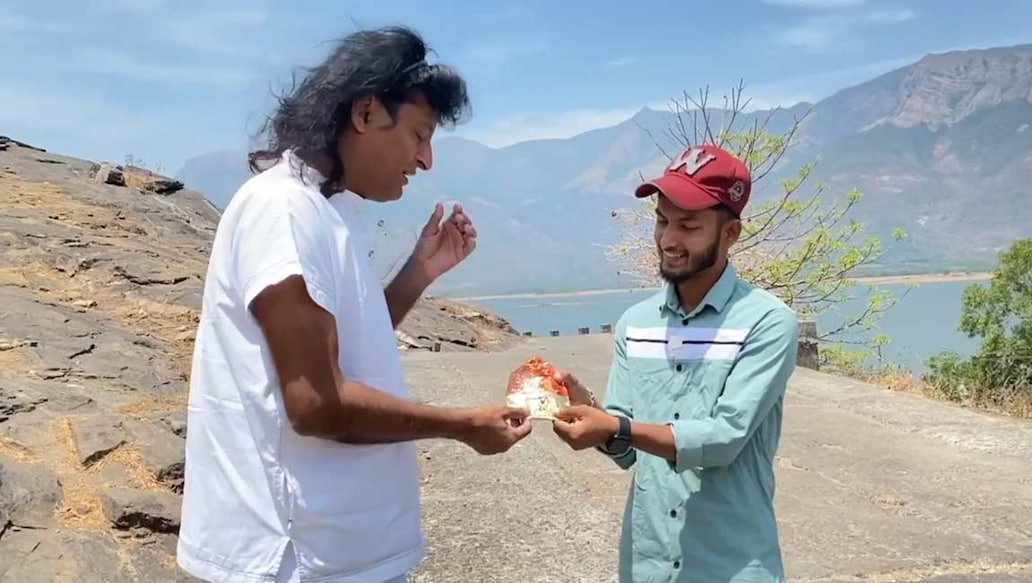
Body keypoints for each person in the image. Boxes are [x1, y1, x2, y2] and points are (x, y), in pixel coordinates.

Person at [176, 26, 532, 583]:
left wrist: (418, 273)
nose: (426, 159)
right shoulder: (284, 211)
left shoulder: (326, 208)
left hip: (336, 553)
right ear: (365, 113)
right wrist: (463, 425)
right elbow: (316, 403)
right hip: (297, 559)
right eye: (419, 135)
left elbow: (342, 348)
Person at [551, 143, 800, 582]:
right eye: (662, 221)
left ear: (730, 233)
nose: (668, 240)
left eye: (688, 226)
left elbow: (723, 439)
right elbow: (626, 451)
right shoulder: (635, 324)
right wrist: (594, 418)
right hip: (646, 565)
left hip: (732, 566)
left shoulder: (766, 322)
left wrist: (616, 426)